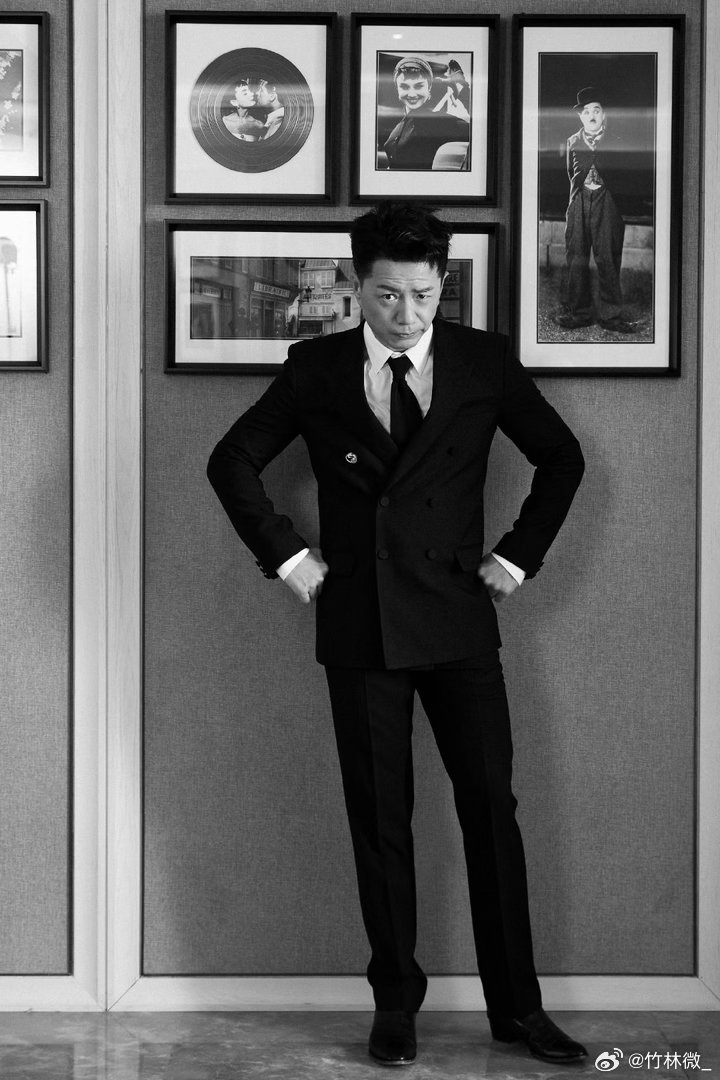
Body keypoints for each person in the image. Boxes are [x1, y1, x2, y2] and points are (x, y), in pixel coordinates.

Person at [207, 202, 587, 1068]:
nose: (406, 314)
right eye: (387, 296)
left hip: (458, 617)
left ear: (442, 283)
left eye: (422, 294)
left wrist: (518, 557)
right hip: (361, 623)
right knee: (380, 820)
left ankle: (519, 1009)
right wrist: (288, 557)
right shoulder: (315, 368)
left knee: (491, 811)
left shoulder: (484, 361)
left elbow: (562, 458)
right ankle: (395, 1005)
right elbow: (230, 460)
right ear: (358, 284)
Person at [554, 86, 635, 333]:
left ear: (603, 114)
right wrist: (578, 197)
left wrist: (613, 200)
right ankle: (579, 313)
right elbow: (571, 173)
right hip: (579, 200)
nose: (591, 115)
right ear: (580, 116)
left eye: (596, 110)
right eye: (586, 111)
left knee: (607, 258)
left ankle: (611, 316)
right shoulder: (572, 141)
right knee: (576, 257)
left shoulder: (616, 141)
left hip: (607, 201)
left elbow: (625, 176)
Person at [382, 57, 469, 170]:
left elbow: (474, 133)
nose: (412, 94)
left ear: (429, 88)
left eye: (419, 86)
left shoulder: (438, 121)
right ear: (397, 89)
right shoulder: (400, 125)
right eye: (404, 86)